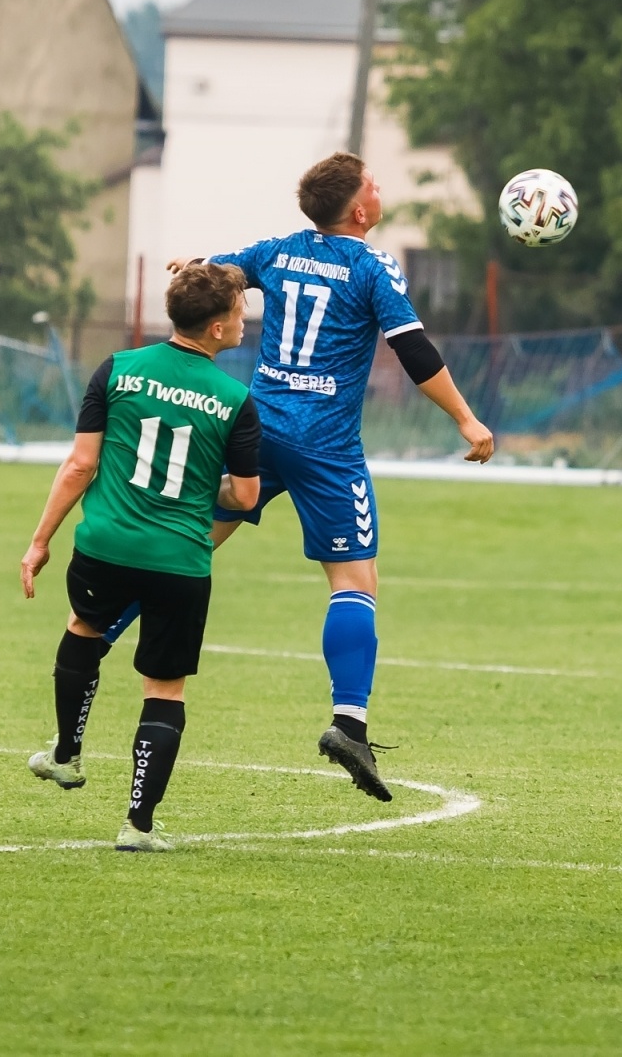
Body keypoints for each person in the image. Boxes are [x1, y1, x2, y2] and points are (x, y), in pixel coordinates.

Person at [153, 152, 495, 803]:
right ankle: (350, 724)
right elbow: (414, 350)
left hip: (256, 431)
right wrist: (466, 418)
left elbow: (219, 272)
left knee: (185, 544)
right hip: (326, 448)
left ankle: (93, 637)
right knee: (355, 581)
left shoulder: (279, 250)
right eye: (374, 184)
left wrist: (191, 262)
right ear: (360, 211)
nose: (380, 189)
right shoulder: (372, 268)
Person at [19, 263, 261, 852]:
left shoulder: (118, 369)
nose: (244, 320)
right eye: (239, 312)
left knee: (84, 628)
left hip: (106, 546)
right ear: (215, 328)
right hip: (180, 561)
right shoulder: (236, 400)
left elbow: (81, 465)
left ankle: (66, 754)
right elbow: (245, 496)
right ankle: (138, 825)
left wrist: (40, 540)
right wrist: (204, 485)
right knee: (164, 688)